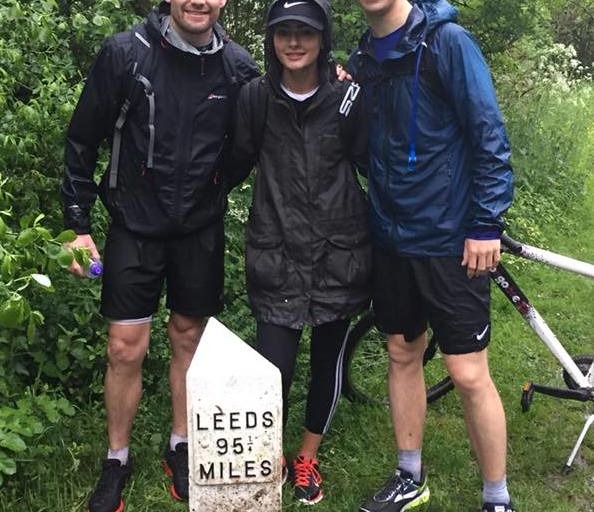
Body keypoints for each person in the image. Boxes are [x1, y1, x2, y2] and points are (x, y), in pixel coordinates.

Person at [61, 0, 259, 510]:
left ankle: (181, 445)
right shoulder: (126, 53)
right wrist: (78, 225)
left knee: (188, 337)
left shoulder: (238, 69)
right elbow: (82, 139)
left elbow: (246, 149)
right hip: (135, 226)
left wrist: (211, 193)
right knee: (125, 346)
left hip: (199, 230)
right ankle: (117, 458)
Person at [347, 0, 515, 511]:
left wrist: (486, 221)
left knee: (467, 373)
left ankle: (497, 497)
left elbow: (489, 132)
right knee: (402, 355)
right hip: (391, 239)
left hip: (449, 240)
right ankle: (409, 474)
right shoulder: (362, 60)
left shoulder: (446, 44)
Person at [227, 0, 371, 504]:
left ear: (321, 39)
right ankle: (272, 453)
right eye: (284, 32)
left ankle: (308, 455)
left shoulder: (348, 96)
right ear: (271, 39)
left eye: (304, 33)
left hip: (338, 252)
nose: (294, 42)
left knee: (327, 360)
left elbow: (374, 164)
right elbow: (234, 164)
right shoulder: (254, 99)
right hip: (278, 253)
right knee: (275, 368)